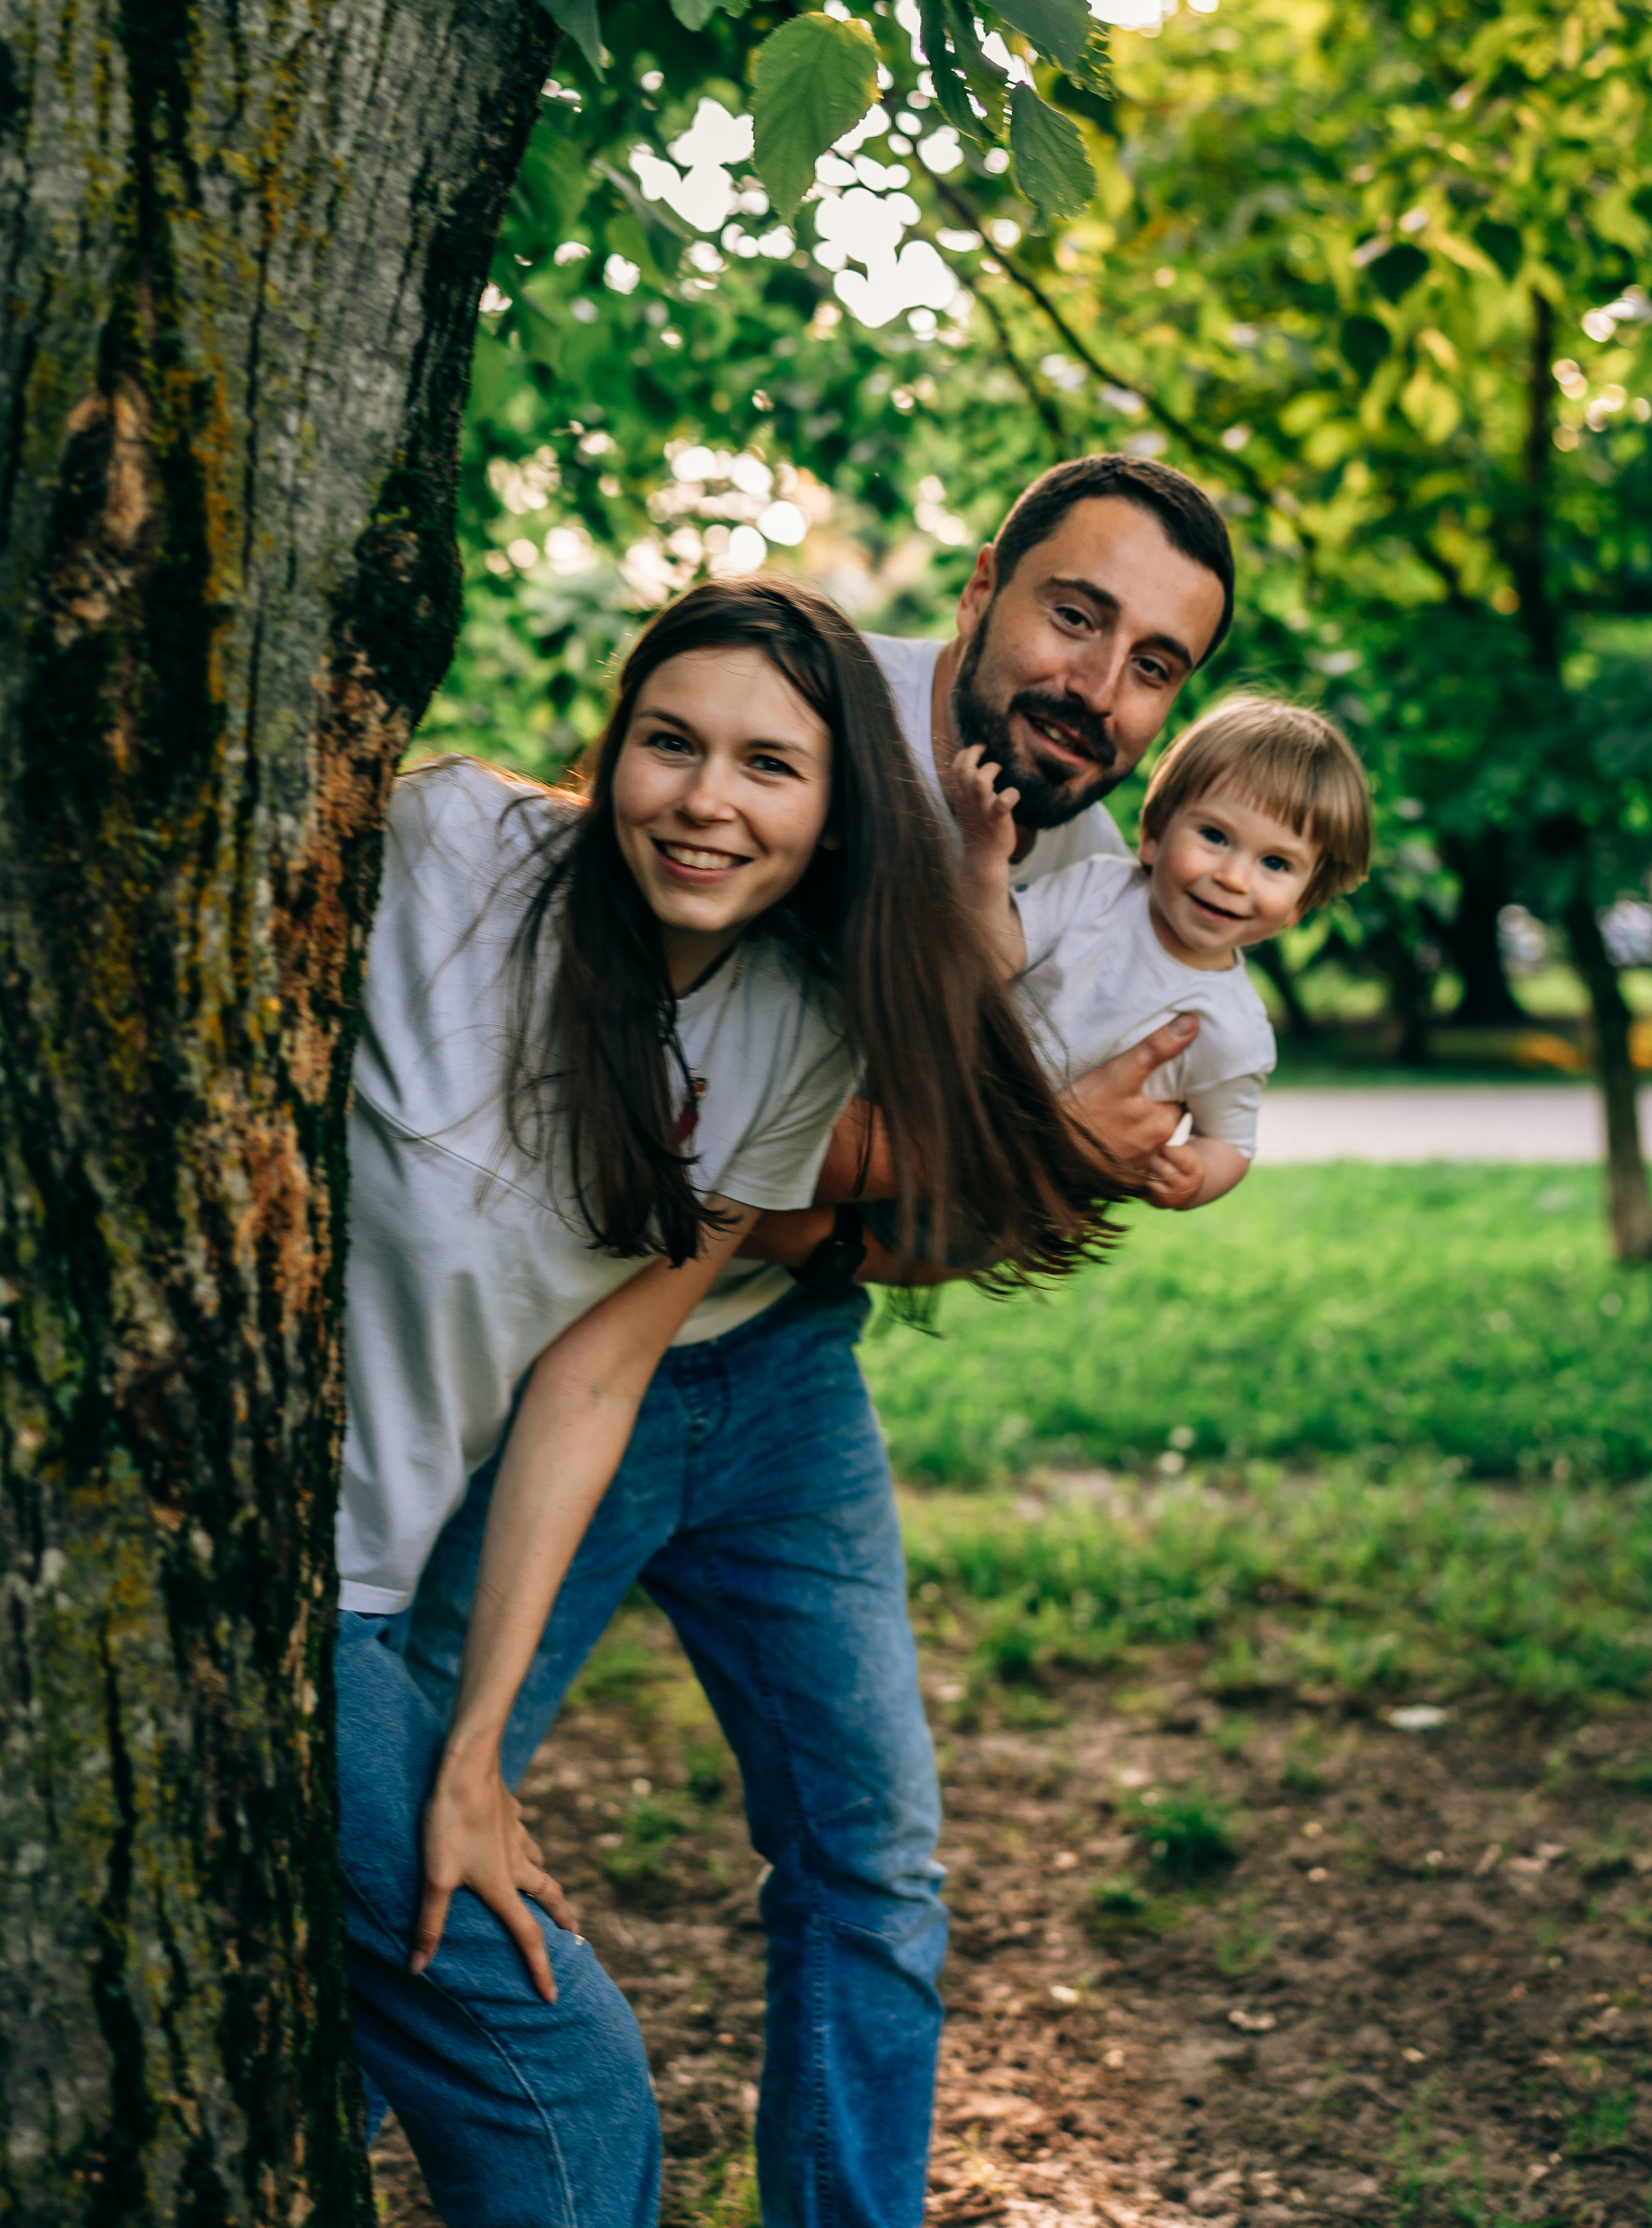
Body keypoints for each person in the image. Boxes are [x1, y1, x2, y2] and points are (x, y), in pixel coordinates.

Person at [401, 456, 1236, 2228]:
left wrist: (986, 1170)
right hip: (575, 1355)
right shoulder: (789, 725)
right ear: (991, 578)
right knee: (416, 1833)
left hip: (783, 1376)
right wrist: (1010, 1140)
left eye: (1157, 663)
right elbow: (717, 1138)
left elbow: (945, 1221)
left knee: (875, 1866)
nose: (1100, 686)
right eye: (1078, 616)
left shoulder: (1086, 868)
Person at [952, 695, 1373, 1210]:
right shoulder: (1098, 889)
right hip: (939, 1114)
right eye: (1215, 836)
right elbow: (989, 960)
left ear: (1300, 905)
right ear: (1152, 837)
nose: (1234, 877)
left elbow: (1230, 1142)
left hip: (1024, 1199)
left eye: (1277, 864)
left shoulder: (1232, 1028)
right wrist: (986, 859)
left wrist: (1197, 1175)